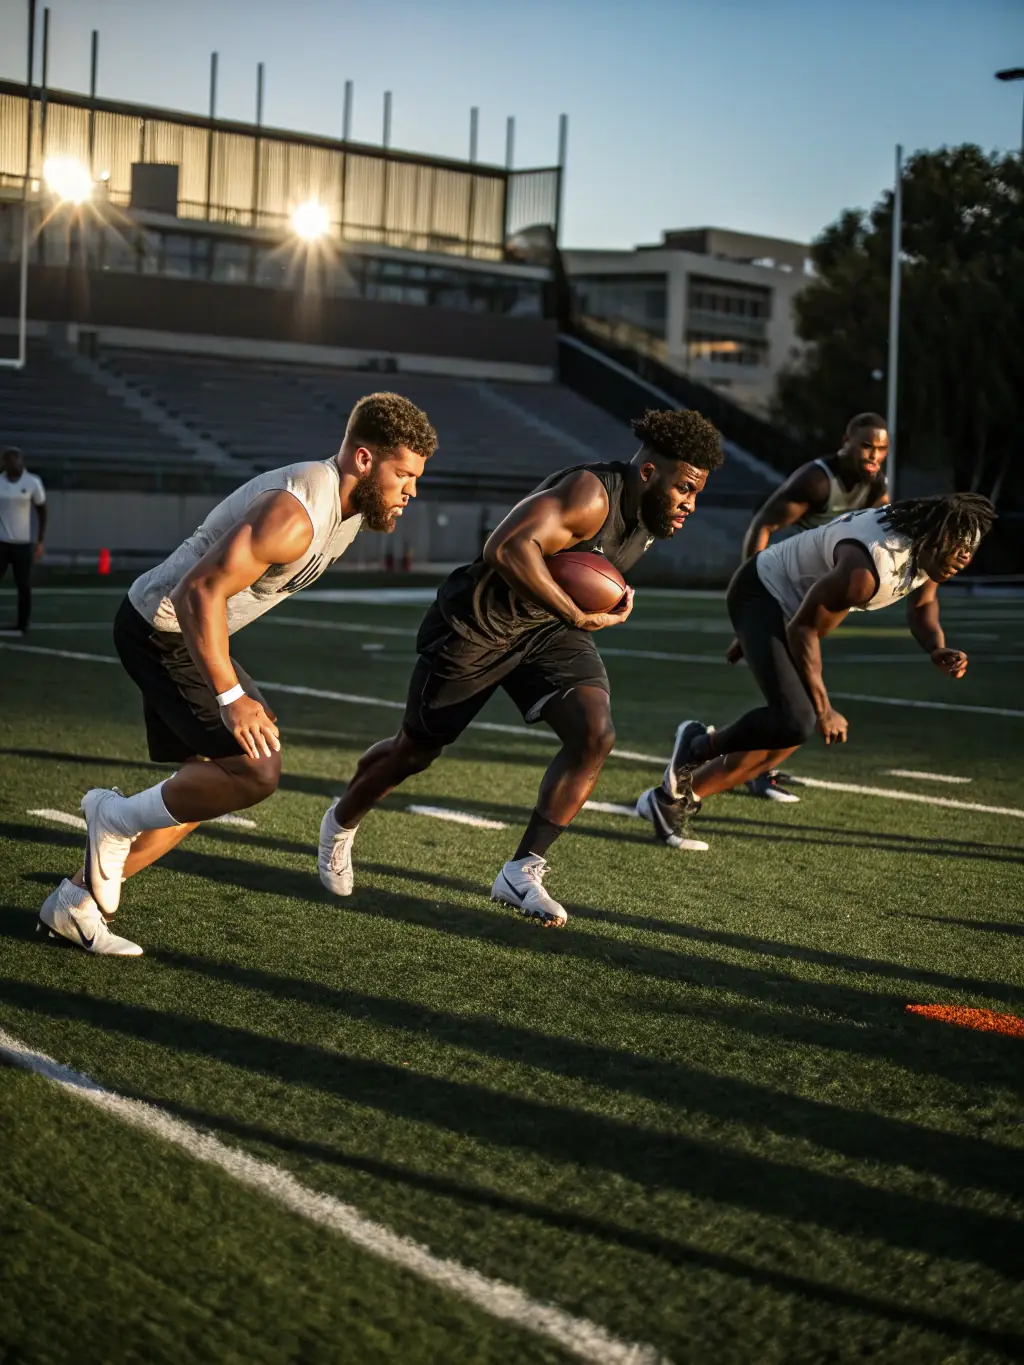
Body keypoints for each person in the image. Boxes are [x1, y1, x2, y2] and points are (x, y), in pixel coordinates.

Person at [37, 393, 437, 956]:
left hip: (187, 634)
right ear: (365, 460)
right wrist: (230, 695)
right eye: (405, 474)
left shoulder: (349, 515)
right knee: (254, 770)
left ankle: (73, 905)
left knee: (205, 787)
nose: (412, 491)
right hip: (163, 631)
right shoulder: (296, 516)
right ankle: (114, 815)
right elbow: (195, 590)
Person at [319, 408, 724, 927]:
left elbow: (584, 571)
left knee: (594, 733)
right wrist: (576, 611)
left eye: (697, 493)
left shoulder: (650, 517)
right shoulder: (591, 495)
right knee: (414, 751)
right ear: (649, 473)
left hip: (544, 631)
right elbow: (507, 546)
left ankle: (522, 871)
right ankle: (341, 822)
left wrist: (600, 603)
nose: (690, 504)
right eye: (685, 488)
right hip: (477, 626)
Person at [637, 494, 996, 847]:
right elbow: (803, 629)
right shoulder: (870, 568)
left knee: (789, 735)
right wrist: (823, 707)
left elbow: (924, 602)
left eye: (968, 551)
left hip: (787, 608)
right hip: (762, 594)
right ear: (933, 538)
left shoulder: (929, 546)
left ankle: (679, 799)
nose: (962, 558)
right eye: (954, 551)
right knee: (796, 719)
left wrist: (935, 646)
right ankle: (696, 746)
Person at [738, 412, 889, 801]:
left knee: (792, 694)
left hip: (818, 598)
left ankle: (749, 763)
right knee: (797, 699)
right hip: (785, 587)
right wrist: (751, 592)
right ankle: (740, 764)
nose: (875, 455)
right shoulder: (818, 480)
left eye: (883, 448)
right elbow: (764, 525)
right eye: (868, 446)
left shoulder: (877, 487)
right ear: (846, 441)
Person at [0, 446, 47, 635]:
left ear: (21, 461)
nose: (13, 463)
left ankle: (22, 623)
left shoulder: (33, 482)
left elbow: (42, 511)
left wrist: (40, 541)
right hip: (1, 542)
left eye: (16, 459)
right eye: (9, 460)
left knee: (23, 585)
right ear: (4, 462)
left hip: (22, 543)